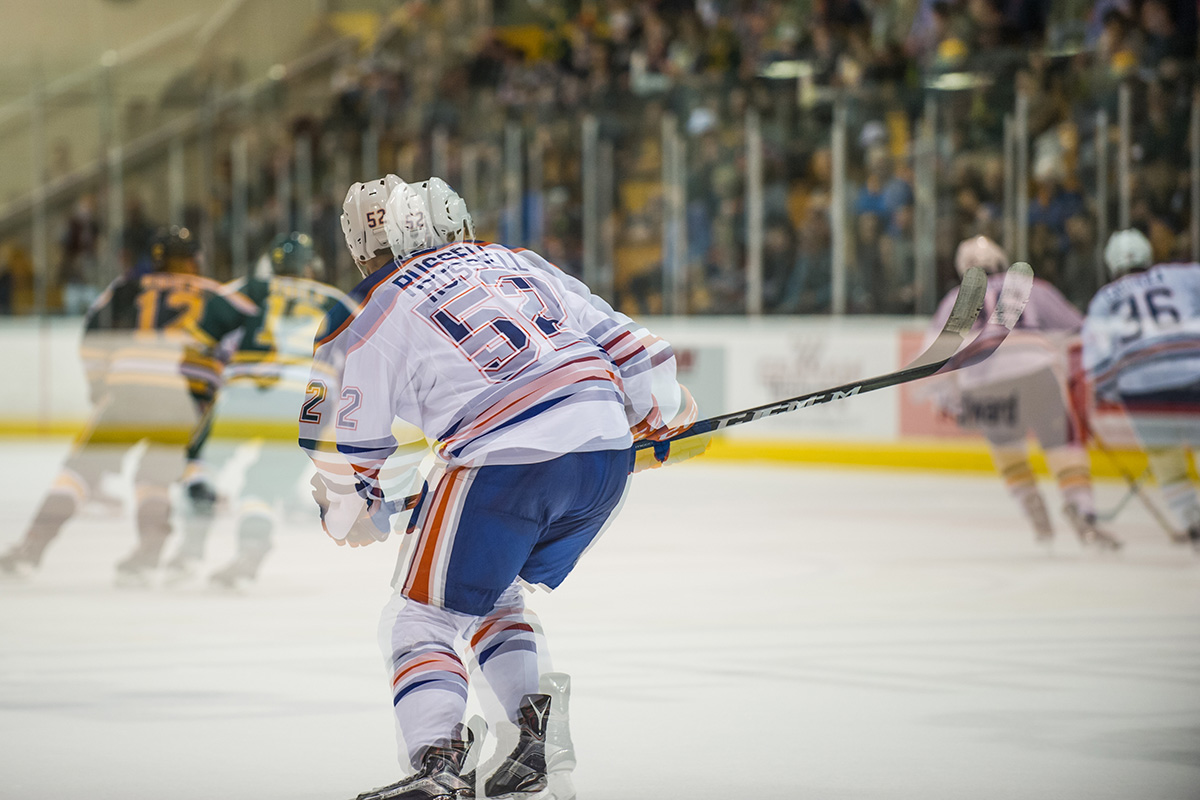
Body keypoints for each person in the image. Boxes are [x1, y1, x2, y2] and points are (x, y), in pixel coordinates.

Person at [301, 175, 701, 800]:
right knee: (491, 595)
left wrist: (351, 511)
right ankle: (534, 739)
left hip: (503, 462)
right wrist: (657, 411)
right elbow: (643, 357)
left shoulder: (363, 308)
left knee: (420, 620)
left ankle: (438, 764)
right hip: (601, 464)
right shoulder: (517, 262)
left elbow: (341, 457)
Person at [0, 227, 226, 583]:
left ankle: (32, 546)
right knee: (154, 477)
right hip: (182, 398)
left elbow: (93, 336)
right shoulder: (218, 295)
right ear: (195, 260)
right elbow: (232, 351)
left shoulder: (125, 288)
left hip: (127, 391)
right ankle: (150, 551)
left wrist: (99, 383)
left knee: (78, 473)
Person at [165, 232, 365, 588]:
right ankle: (251, 548)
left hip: (245, 390)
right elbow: (373, 352)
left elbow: (201, 335)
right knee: (263, 484)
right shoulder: (336, 300)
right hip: (308, 400)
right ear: (309, 267)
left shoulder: (255, 287)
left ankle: (190, 546)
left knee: (203, 466)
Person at [918, 236, 1120, 549]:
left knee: (1008, 452)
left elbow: (934, 361)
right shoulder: (1033, 288)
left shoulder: (955, 299)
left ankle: (1036, 513)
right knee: (1061, 446)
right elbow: (1082, 331)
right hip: (1035, 373)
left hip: (983, 386)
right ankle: (1084, 514)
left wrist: (949, 400)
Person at [1082, 229, 1200, 547]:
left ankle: (1193, 524)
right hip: (1192, 374)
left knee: (1167, 464)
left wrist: (1116, 393)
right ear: (1149, 256)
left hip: (1140, 389)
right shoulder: (1182, 274)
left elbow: (1097, 360)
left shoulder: (1102, 301)